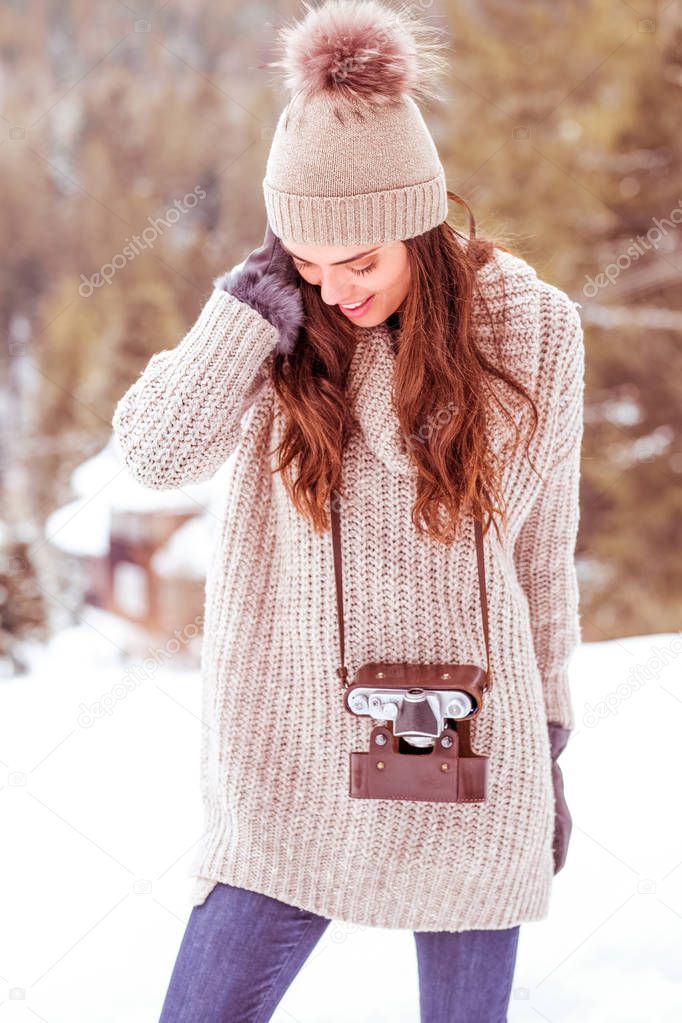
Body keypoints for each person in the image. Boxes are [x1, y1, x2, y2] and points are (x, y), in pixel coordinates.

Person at [111, 1, 582, 1020]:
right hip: (290, 753)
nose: (335, 292)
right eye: (310, 264)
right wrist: (241, 319)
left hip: (462, 734)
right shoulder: (274, 325)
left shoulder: (535, 327)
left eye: (360, 263)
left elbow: (541, 550)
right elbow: (151, 454)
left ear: (418, 220)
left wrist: (546, 733)